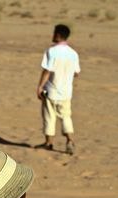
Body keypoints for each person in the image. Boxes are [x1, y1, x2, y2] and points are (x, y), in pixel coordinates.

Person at [36, 24, 80, 155]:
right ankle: (70, 140)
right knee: (66, 116)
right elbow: (77, 73)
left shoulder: (52, 51)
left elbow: (47, 71)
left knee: (49, 117)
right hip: (66, 92)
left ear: (58, 35)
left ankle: (49, 143)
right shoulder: (73, 53)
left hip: (51, 90)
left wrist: (39, 86)